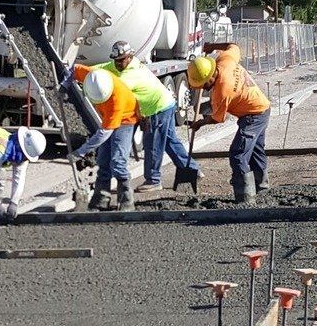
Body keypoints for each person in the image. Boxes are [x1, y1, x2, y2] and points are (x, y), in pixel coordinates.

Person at [102, 39, 199, 194]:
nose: (118, 63)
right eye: (116, 60)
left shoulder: (130, 74)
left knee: (153, 143)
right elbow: (103, 68)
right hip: (164, 103)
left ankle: (153, 180)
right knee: (168, 140)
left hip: (157, 108)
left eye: (121, 60)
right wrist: (81, 71)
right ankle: (192, 168)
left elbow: (117, 91)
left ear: (130, 57)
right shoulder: (122, 65)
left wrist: (143, 117)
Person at [186, 43, 272, 205]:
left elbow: (218, 118)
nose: (204, 88)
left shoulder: (222, 91)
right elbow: (234, 46)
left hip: (253, 115)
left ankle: (245, 197)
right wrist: (213, 46)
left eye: (205, 84)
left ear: (210, 77)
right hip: (262, 107)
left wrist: (200, 123)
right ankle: (262, 186)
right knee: (255, 150)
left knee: (238, 154)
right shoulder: (225, 60)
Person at [72, 64, 140, 210]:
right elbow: (73, 69)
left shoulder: (116, 100)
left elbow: (104, 134)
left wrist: (80, 152)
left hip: (126, 120)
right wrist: (65, 84)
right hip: (107, 120)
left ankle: (127, 201)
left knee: (117, 162)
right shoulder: (92, 76)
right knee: (103, 160)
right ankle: (101, 199)